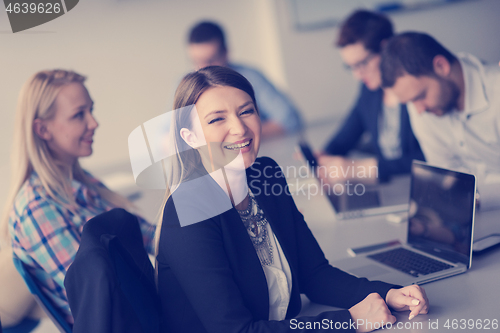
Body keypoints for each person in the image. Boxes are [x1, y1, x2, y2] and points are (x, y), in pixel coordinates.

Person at [156, 66, 429, 333]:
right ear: (190, 138)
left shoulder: (265, 175)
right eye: (217, 119)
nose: (239, 128)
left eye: (246, 111)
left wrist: (389, 294)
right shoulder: (187, 211)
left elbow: (314, 275)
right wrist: (349, 322)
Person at [1, 69, 156, 325]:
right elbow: (101, 293)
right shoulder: (36, 209)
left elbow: (146, 234)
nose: (93, 123)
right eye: (78, 115)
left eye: (91, 110)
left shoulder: (82, 183)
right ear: (43, 129)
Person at [380, 32, 500, 209]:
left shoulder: (495, 91)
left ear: (441, 66)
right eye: (411, 102)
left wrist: (474, 196)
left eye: (420, 97)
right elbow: (447, 176)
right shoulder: (419, 106)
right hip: (478, 214)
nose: (419, 110)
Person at [321, 10, 424, 183]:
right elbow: (346, 136)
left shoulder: (416, 88)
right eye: (351, 67)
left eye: (362, 63)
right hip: (395, 189)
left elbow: (432, 157)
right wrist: (324, 156)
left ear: (385, 49)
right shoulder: (370, 90)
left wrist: (366, 168)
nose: (357, 75)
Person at [186, 21, 303, 138]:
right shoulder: (184, 85)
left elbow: (290, 119)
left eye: (212, 60)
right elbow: (169, 135)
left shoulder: (251, 77)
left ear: (226, 53)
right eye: (197, 61)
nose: (204, 68)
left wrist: (239, 137)